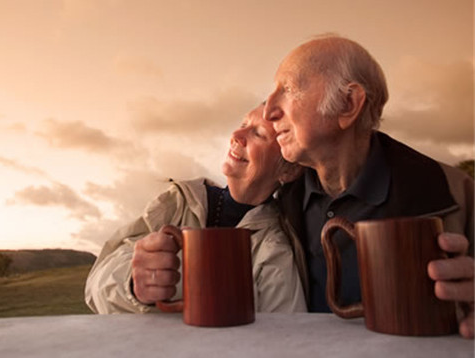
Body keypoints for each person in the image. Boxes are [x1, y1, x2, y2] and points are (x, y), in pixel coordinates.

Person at [263, 34, 474, 338]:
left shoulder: (456, 193)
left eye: (288, 89)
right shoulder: (279, 202)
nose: (269, 111)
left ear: (348, 104)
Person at [85, 104, 307, 314]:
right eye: (243, 124)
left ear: (288, 171)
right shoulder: (177, 203)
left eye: (258, 133)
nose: (237, 136)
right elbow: (95, 287)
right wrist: (132, 284)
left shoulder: (274, 248)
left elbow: (283, 337)